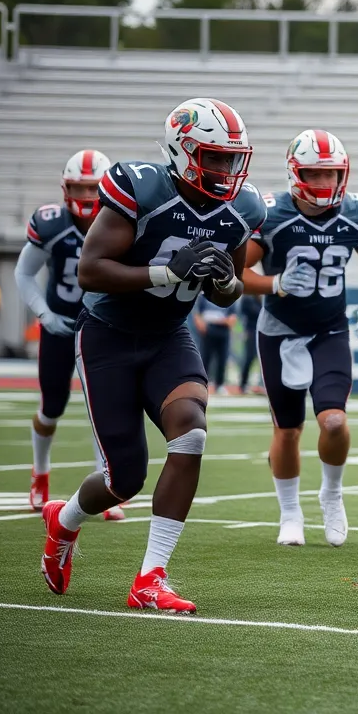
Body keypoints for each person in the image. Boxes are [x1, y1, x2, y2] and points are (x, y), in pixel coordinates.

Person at [40, 98, 265, 612]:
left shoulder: (243, 206)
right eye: (214, 158)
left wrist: (223, 279)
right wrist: (165, 273)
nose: (226, 171)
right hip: (108, 334)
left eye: (232, 160)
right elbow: (91, 271)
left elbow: (230, 288)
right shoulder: (141, 186)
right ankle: (65, 519)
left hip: (168, 334)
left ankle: (151, 578)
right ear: (182, 152)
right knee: (125, 478)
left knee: (192, 431)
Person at [241, 129, 358, 548]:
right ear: (294, 173)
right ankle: (289, 512)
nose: (323, 184)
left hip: (330, 329)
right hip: (278, 332)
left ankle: (332, 494)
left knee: (334, 421)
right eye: (313, 174)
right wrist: (276, 283)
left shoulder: (355, 212)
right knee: (287, 429)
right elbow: (237, 276)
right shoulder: (271, 214)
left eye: (330, 174)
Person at [15, 150, 123, 519]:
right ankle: (40, 474)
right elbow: (23, 273)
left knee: (105, 406)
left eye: (94, 188)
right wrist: (44, 315)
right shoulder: (52, 224)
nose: (87, 196)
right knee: (52, 406)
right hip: (61, 324)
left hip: (101, 324)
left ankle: (109, 485)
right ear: (66, 187)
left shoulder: (123, 222)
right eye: (79, 187)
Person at [193, 294, 235, 394]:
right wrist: (201, 323)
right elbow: (197, 313)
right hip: (208, 329)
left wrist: (220, 320)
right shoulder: (204, 295)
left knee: (222, 359)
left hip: (223, 331)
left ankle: (220, 384)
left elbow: (232, 317)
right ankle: (203, 383)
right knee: (205, 358)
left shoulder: (229, 294)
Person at [236, 295, 262, 394]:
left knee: (264, 359)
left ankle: (261, 384)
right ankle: (243, 384)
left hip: (262, 331)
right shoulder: (248, 298)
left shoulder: (260, 298)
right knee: (249, 358)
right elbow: (252, 312)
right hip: (251, 331)